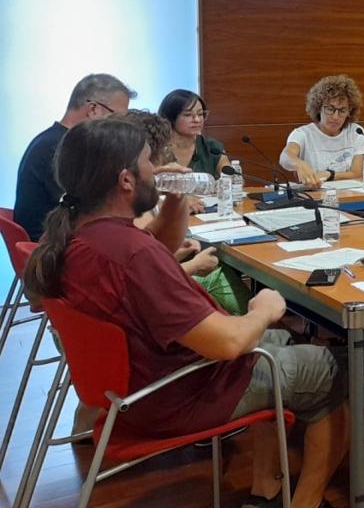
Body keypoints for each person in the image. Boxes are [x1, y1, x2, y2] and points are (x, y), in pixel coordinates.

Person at [23, 117, 347, 508]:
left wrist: (173, 196)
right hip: (181, 394)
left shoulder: (80, 235)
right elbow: (227, 344)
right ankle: (306, 503)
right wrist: (263, 309)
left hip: (134, 390)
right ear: (127, 180)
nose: (157, 170)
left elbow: (157, 245)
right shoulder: (130, 253)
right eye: (149, 161)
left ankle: (267, 487)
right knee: (329, 368)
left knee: (280, 342)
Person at [124, 109, 250, 316]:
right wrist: (193, 265)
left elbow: (147, 261)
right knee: (222, 278)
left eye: (201, 113)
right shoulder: (129, 210)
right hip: (157, 322)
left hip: (145, 318)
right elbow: (146, 281)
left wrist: (174, 254)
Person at [14, 73, 135, 241]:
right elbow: (89, 211)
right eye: (118, 119)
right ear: (93, 109)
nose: (120, 128)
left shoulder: (53, 140)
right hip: (50, 249)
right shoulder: (59, 148)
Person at [280, 75, 364, 188]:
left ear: (350, 111)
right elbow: (285, 157)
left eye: (342, 110)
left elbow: (357, 174)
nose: (336, 117)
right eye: (330, 109)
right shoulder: (303, 134)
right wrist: (299, 164)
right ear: (319, 107)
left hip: (349, 196)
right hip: (316, 197)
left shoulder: (356, 132)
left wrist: (330, 175)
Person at [158, 89, 229, 177]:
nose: (197, 120)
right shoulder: (156, 147)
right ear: (170, 117)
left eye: (200, 114)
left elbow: (233, 180)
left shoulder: (211, 147)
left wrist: (234, 177)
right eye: (188, 115)